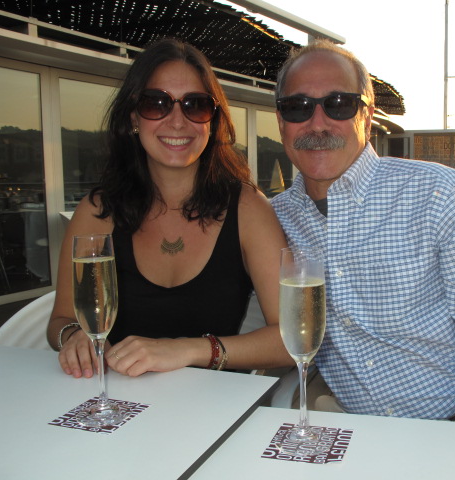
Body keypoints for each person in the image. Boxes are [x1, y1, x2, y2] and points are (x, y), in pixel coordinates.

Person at [270, 39, 455, 425]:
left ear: (367, 117)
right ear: (281, 122)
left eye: (339, 104)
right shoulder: (275, 218)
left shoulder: (437, 193)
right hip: (359, 428)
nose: (317, 124)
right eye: (298, 107)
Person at [48, 38, 293, 378]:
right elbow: (61, 320)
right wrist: (72, 336)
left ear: (212, 120)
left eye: (196, 105)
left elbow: (291, 340)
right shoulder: (98, 210)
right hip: (115, 396)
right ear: (134, 116)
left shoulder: (248, 209)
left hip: (212, 403)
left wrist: (187, 350)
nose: (177, 121)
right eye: (156, 103)